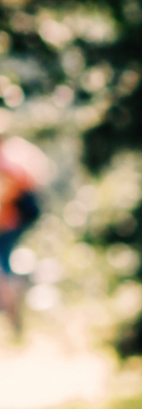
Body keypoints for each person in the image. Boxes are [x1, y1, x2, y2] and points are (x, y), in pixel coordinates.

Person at [0, 136, 48, 347]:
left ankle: (12, 311)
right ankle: (13, 314)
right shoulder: (15, 150)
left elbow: (10, 191)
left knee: (3, 266)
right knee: (5, 264)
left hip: (12, 219)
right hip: (17, 217)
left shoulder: (7, 159)